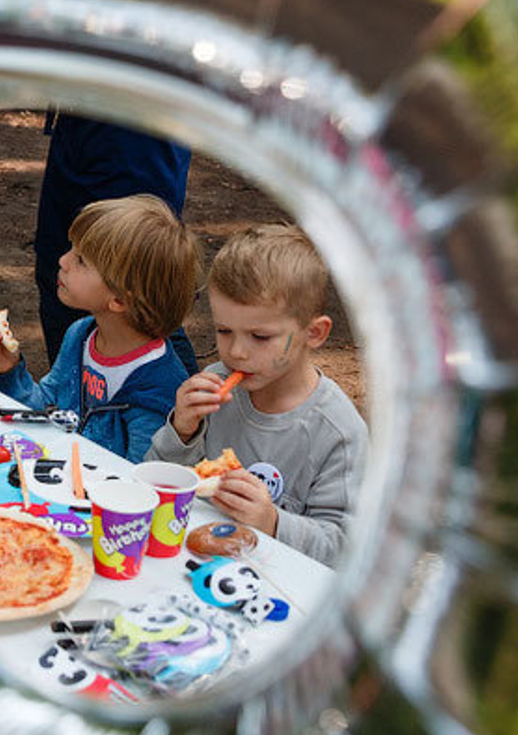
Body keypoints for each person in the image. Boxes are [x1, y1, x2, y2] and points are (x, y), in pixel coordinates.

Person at [147, 223, 368, 567]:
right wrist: (181, 431)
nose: (236, 352)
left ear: (314, 333)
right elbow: (154, 484)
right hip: (193, 568)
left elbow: (346, 551)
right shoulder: (213, 385)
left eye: (260, 336)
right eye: (223, 331)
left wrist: (273, 522)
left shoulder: (337, 432)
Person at [0, 195, 202, 462]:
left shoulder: (158, 388)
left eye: (81, 260)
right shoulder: (81, 334)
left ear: (119, 300)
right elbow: (49, 410)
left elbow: (137, 479)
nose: (63, 260)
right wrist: (12, 372)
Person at [35, 111, 193, 367]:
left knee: (141, 288)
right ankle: (77, 397)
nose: (64, 261)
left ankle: (183, 403)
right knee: (61, 284)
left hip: (138, 139)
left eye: (79, 259)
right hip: (82, 126)